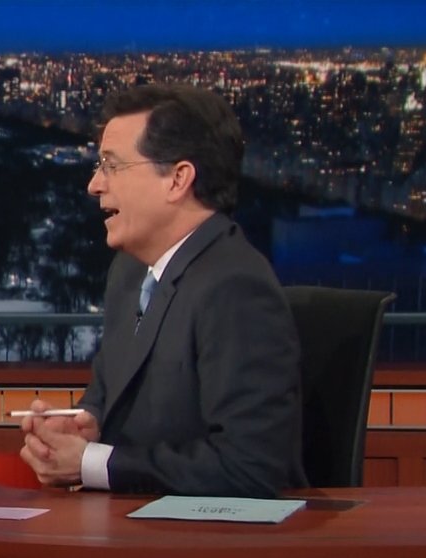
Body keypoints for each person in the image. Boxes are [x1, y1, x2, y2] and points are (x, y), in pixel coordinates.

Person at [20, 84, 306, 498]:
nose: (95, 184)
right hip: (130, 524)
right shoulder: (130, 273)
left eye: (112, 166)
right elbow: (107, 398)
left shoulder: (235, 287)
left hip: (208, 537)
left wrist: (94, 463)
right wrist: (86, 429)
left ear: (177, 179)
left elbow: (251, 467)